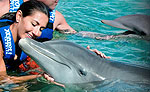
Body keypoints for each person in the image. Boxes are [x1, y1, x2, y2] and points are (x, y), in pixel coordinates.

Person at [0, 0, 57, 85]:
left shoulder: (24, 38)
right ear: (19, 16)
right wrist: (39, 76)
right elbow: (3, 81)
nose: (37, 33)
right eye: (34, 24)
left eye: (41, 29)